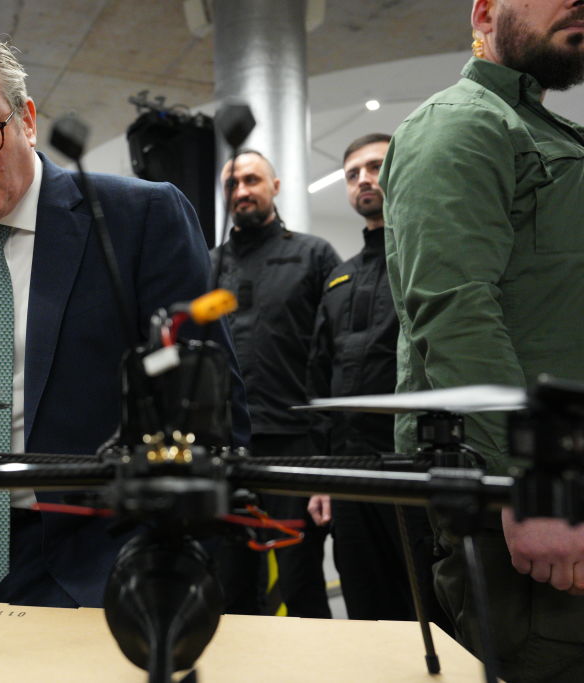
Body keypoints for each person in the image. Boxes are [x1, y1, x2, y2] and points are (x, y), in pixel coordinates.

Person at [0, 21, 250, 628]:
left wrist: (184, 570)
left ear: (26, 118)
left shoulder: (139, 219)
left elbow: (208, 413)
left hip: (111, 567)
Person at [382, 0, 584, 680]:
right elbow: (454, 314)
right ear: (486, 10)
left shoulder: (548, 131)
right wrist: (527, 483)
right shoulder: (463, 124)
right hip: (525, 492)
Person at [306, 134, 449, 632]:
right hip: (349, 471)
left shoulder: (431, 254)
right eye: (352, 173)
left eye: (374, 166)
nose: (363, 179)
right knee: (366, 610)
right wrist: (322, 470)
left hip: (413, 466)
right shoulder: (339, 277)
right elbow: (319, 376)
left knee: (431, 607)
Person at [210, 150, 340, 618]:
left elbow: (335, 354)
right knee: (229, 589)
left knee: (300, 581)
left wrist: (327, 458)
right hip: (226, 452)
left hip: (296, 448)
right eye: (232, 184)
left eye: (251, 179)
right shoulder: (208, 264)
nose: (241, 190)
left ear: (276, 186)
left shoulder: (314, 256)